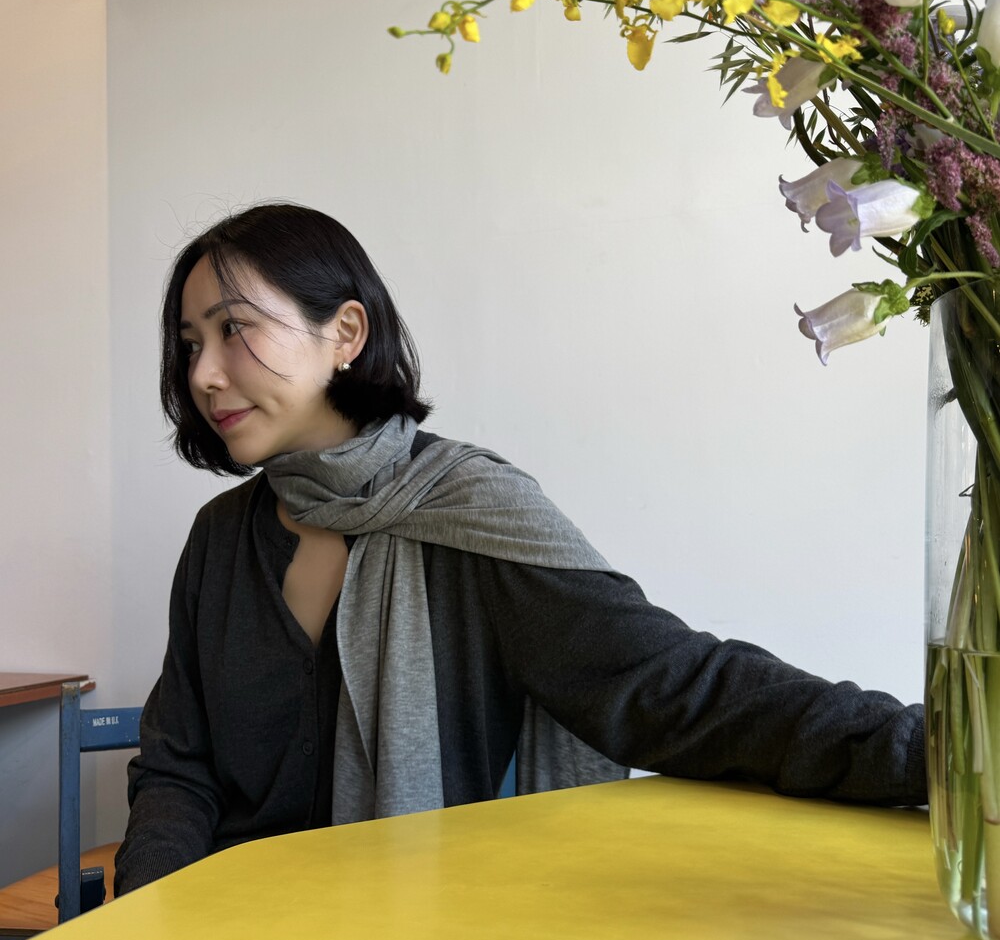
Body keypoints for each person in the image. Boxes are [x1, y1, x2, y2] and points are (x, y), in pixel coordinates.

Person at [114, 202, 926, 895]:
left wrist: (932, 751)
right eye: (190, 343)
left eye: (234, 328)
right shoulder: (221, 537)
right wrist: (149, 920)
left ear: (345, 332)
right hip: (226, 935)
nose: (205, 374)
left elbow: (674, 686)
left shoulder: (469, 509)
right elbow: (179, 767)